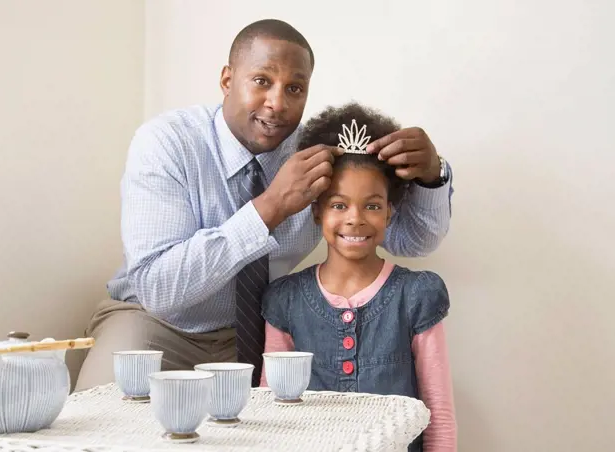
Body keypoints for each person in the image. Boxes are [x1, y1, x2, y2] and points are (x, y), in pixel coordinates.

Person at [74, 19, 454, 391]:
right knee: (98, 422)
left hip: (259, 331)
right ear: (227, 79)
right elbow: (159, 290)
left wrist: (431, 175)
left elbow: (412, 241)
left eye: (294, 88)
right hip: (153, 322)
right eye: (262, 81)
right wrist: (269, 207)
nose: (277, 103)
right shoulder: (166, 143)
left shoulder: (318, 153)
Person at [259, 102, 456, 452]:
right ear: (316, 210)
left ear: (390, 212)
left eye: (372, 205)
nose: (355, 218)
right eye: (339, 205)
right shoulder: (284, 300)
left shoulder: (416, 296)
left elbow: (438, 413)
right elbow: (271, 410)